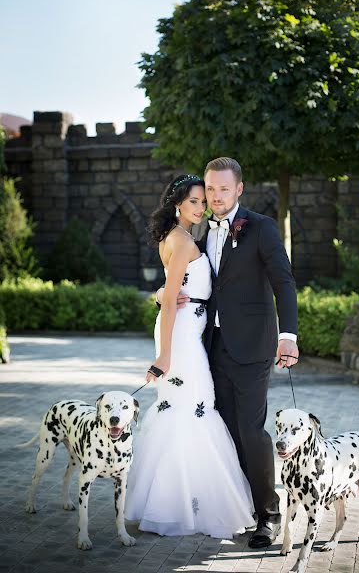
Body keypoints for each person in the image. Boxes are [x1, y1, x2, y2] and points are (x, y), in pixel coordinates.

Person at [154, 157, 299, 549]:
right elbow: (189, 282)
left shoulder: (262, 228)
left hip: (253, 347)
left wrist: (288, 335)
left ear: (239, 189)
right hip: (211, 348)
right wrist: (161, 296)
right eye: (210, 189)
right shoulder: (201, 235)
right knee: (226, 429)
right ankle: (243, 507)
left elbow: (283, 282)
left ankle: (269, 516)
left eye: (222, 189)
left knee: (251, 431)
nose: (215, 197)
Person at [124, 173, 255, 538]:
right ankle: (180, 506)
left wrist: (161, 296)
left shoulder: (180, 237)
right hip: (179, 339)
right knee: (195, 408)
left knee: (185, 409)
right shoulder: (181, 241)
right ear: (177, 203)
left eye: (203, 201)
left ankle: (175, 501)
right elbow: (168, 304)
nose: (201, 207)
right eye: (194, 201)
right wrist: (164, 356)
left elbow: (168, 291)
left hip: (187, 330)